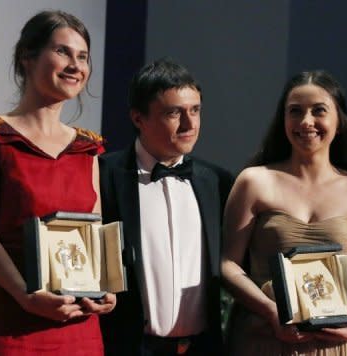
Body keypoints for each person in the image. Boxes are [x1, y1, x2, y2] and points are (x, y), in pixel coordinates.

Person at [0, 10, 115, 355]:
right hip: (10, 321)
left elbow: (93, 232)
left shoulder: (86, 148)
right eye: (62, 52)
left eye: (83, 57)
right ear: (27, 57)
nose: (75, 65)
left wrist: (104, 287)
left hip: (79, 324)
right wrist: (25, 294)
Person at [221, 70, 347, 355]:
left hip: (340, 344)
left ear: (340, 121)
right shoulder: (254, 181)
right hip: (265, 339)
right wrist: (272, 312)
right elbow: (228, 265)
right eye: (295, 111)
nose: (306, 122)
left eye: (318, 111)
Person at [98, 59, 234, 355]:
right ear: (138, 118)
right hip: (128, 347)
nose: (190, 124)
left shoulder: (217, 182)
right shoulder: (102, 174)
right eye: (174, 113)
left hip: (202, 349)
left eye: (195, 110)